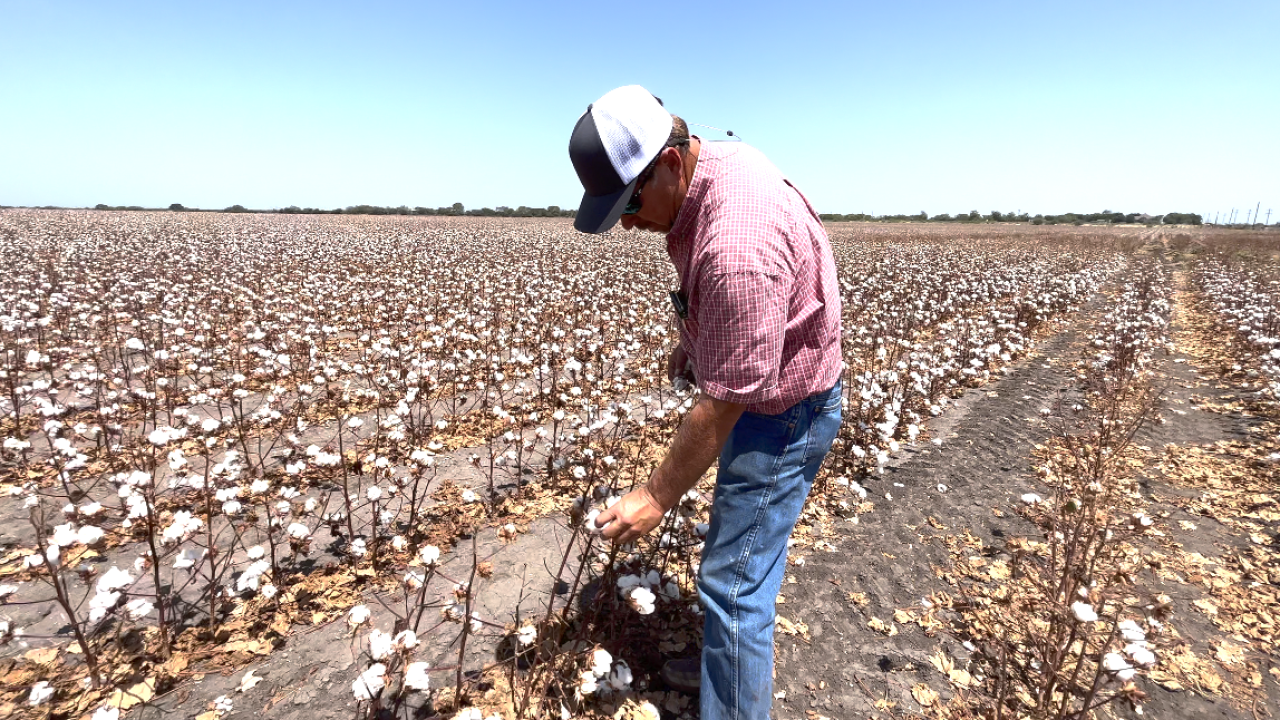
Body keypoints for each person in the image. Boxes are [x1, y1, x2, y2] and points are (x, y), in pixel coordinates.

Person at [568, 85, 843, 720]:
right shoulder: (718, 164)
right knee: (733, 555)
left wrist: (655, 496)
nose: (627, 222)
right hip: (774, 386)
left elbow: (723, 404)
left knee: (735, 586)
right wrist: (697, 337)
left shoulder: (736, 252)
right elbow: (737, 318)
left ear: (669, 161)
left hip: (784, 412)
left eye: (628, 203)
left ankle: (734, 691)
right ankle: (726, 659)